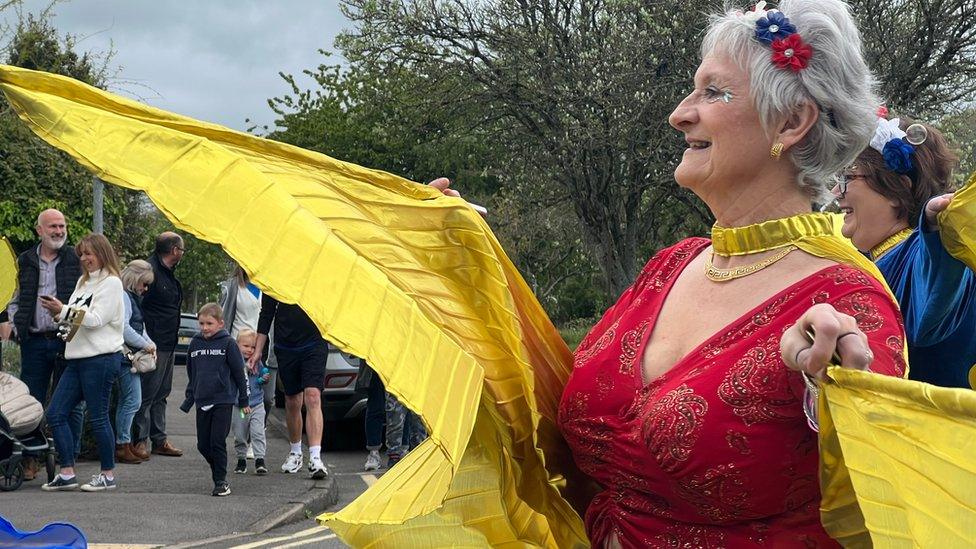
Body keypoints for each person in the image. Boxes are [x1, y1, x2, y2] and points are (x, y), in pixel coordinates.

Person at [431, 0, 907, 544]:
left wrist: (824, 389)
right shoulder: (670, 266)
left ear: (792, 121)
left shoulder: (848, 304)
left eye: (714, 92)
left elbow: (878, 502)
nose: (680, 114)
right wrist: (465, 263)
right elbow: (548, 392)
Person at [832, 118, 976, 388]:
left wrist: (937, 230)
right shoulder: (873, 261)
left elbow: (930, 308)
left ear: (897, 190)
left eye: (848, 177)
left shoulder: (928, 252)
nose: (836, 191)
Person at [40, 233, 124, 492]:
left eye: (90, 253)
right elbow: (77, 319)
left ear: (103, 253)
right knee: (55, 414)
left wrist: (63, 310)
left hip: (101, 358)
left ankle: (107, 475)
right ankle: (67, 473)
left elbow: (97, 319)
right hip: (76, 357)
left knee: (98, 417)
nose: (85, 258)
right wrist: (59, 316)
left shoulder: (111, 283)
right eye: (82, 254)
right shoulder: (83, 281)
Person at [6, 209, 85, 477]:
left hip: (68, 340)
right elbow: (14, 297)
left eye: (62, 225)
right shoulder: (25, 259)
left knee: (71, 403)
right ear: (39, 230)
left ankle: (68, 461)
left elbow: (88, 297)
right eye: (53, 226)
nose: (59, 231)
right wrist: (16, 323)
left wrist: (68, 317)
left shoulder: (77, 258)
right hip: (35, 342)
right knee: (31, 402)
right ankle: (31, 460)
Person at [250, 295, 328, 479]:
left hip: (314, 342)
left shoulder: (317, 271)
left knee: (312, 395)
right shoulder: (275, 275)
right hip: (286, 346)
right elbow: (266, 313)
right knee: (292, 400)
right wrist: (258, 351)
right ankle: (296, 452)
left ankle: (316, 457)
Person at [179, 303, 249, 497]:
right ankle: (219, 468)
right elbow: (192, 372)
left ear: (220, 323)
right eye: (201, 323)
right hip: (203, 400)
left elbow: (239, 373)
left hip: (223, 399)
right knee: (203, 445)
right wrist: (190, 397)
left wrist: (243, 400)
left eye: (209, 323)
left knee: (217, 441)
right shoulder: (195, 343)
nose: (204, 328)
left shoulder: (228, 344)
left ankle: (221, 482)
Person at [133, 231, 184, 459]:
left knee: (162, 393)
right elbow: (139, 306)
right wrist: (143, 341)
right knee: (147, 394)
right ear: (174, 251)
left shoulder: (169, 274)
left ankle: (159, 439)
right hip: (152, 343)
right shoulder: (149, 271)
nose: (182, 254)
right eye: (182, 250)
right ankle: (139, 441)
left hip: (168, 342)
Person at [115, 260, 156, 464]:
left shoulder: (129, 297)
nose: (145, 289)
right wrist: (147, 345)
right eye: (144, 284)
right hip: (125, 357)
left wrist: (150, 344)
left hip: (128, 355)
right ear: (135, 280)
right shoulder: (124, 296)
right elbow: (125, 328)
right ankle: (123, 443)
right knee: (132, 401)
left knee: (128, 401)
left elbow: (138, 327)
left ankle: (125, 442)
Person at [231, 329, 269, 475]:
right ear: (237, 345)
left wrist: (263, 377)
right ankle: (241, 459)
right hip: (240, 407)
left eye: (253, 347)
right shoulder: (234, 362)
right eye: (246, 346)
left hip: (256, 404)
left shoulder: (257, 361)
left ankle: (260, 460)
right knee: (240, 434)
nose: (250, 350)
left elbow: (263, 374)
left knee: (258, 432)